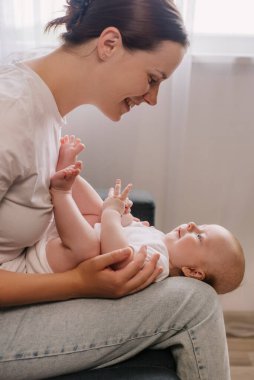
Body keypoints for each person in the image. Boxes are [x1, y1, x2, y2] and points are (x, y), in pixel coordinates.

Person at [0, 1, 232, 379]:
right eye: (153, 78)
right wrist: (76, 283)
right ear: (109, 44)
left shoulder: (43, 107)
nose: (153, 99)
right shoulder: (11, 114)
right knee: (196, 303)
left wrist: (114, 218)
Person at [41, 135, 244, 296]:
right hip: (62, 236)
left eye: (200, 236)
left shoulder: (159, 264)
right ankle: (67, 172)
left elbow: (119, 257)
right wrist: (124, 215)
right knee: (98, 208)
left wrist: (111, 214)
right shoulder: (158, 239)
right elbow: (126, 230)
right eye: (199, 224)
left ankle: (61, 192)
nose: (191, 224)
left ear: (193, 271)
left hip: (56, 260)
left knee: (91, 242)